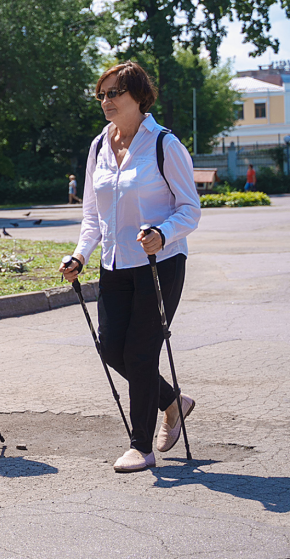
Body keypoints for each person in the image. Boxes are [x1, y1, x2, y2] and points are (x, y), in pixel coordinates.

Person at [59, 61, 201, 473]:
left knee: (140, 354)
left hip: (161, 263)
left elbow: (190, 210)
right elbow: (92, 215)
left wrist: (163, 232)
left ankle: (141, 447)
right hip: (113, 266)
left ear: (139, 97)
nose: (105, 101)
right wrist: (80, 254)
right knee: (111, 348)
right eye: (101, 94)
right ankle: (173, 401)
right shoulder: (99, 145)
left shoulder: (163, 144)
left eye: (114, 93)